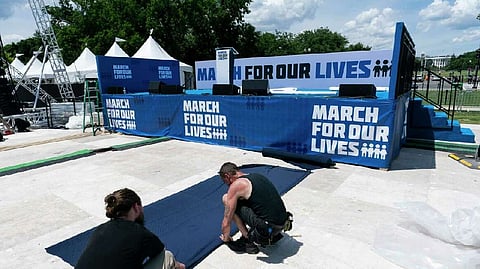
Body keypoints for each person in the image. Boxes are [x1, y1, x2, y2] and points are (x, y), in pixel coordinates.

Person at [76, 188, 185, 269]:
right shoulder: (140, 233)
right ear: (136, 207)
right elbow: (159, 252)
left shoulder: (100, 229)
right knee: (167, 256)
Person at [218, 162, 293, 254]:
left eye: (225, 181)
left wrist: (226, 238)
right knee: (243, 200)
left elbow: (226, 221)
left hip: (268, 229)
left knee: (226, 198)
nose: (227, 185)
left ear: (227, 176)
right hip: (282, 223)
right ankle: (272, 235)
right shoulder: (256, 176)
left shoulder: (237, 185)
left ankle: (248, 242)